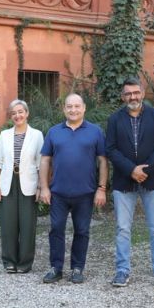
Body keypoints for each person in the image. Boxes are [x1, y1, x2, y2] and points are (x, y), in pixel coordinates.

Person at [105, 77, 154, 289]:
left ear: (142, 92)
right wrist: (131, 169)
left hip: (152, 180)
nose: (132, 97)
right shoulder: (115, 119)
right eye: (128, 93)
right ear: (123, 96)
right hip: (124, 181)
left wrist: (146, 170)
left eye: (136, 92)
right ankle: (122, 271)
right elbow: (111, 149)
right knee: (123, 229)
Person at [38, 93, 107, 284]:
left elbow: (102, 161)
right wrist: (44, 187)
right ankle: (56, 268)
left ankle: (77, 268)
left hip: (85, 193)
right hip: (58, 193)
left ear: (84, 108)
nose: (73, 110)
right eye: (69, 106)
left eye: (77, 106)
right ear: (64, 109)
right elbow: (45, 160)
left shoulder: (95, 131)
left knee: (82, 231)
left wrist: (101, 188)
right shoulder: (54, 132)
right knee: (56, 229)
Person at [0, 99, 44, 273]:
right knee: (8, 225)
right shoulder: (5, 135)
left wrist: (40, 187)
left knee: (27, 225)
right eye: (14, 113)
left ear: (27, 113)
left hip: (29, 184)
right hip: (8, 183)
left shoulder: (37, 135)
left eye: (20, 112)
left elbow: (41, 163)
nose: (17, 115)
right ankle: (9, 261)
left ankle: (24, 263)